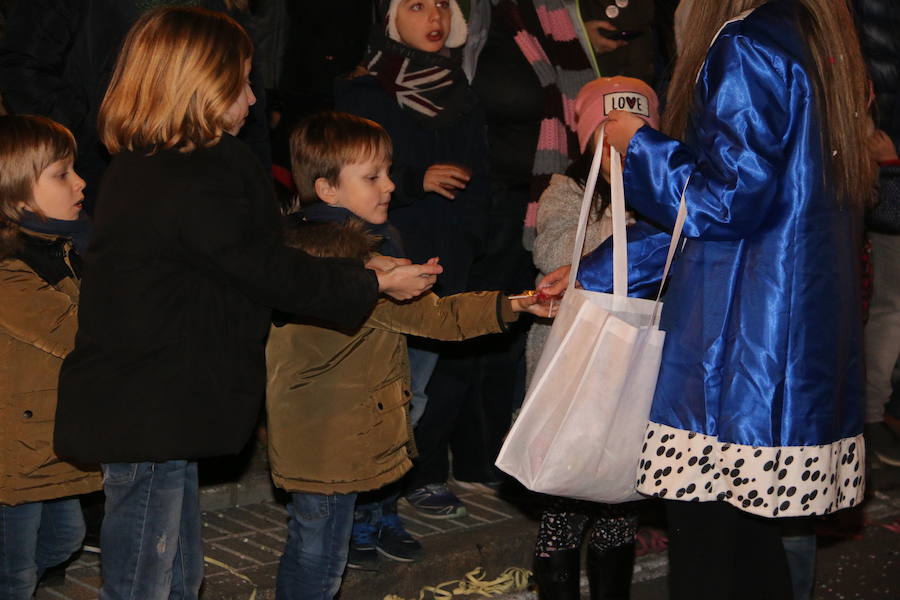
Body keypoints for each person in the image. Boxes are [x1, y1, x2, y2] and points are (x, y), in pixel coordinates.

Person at [50, 9, 441, 600]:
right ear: (200, 82)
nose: (255, 98)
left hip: (158, 400)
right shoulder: (191, 173)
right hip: (151, 402)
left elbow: (250, 253)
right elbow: (265, 268)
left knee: (176, 572)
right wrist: (372, 285)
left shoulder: (153, 165)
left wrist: (358, 268)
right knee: (146, 579)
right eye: (242, 80)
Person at [539, 1, 875, 598]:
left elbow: (722, 202)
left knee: (710, 553)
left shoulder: (747, 43)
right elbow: (735, 215)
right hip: (785, 342)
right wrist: (597, 270)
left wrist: (636, 142)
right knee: (752, 549)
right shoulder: (817, 35)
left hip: (731, 354)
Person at [266, 110, 553, 600]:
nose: (391, 186)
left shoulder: (321, 252)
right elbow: (440, 319)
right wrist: (518, 303)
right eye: (373, 177)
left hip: (325, 433)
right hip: (327, 438)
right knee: (319, 559)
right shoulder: (349, 263)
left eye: (389, 173)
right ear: (328, 189)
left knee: (317, 547)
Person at [335, 0, 489, 546]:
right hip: (387, 257)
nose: (435, 18)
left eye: (444, 6)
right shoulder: (364, 92)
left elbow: (481, 173)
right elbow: (340, 173)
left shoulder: (463, 92)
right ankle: (354, 507)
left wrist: (472, 233)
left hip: (445, 258)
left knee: (419, 395)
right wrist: (413, 177)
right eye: (418, 5)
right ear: (390, 17)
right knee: (377, 390)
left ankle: (387, 500)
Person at [528, 77, 661, 600]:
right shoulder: (567, 190)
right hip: (574, 373)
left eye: (637, 137)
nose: (624, 150)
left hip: (632, 377)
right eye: (612, 137)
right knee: (563, 505)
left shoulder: (665, 196)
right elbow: (553, 253)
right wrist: (626, 207)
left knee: (617, 509)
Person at [0, 0, 268, 213]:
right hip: (102, 161)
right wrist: (89, 128)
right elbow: (23, 66)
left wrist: (259, 184)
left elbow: (241, 80)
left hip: (204, 158)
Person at [0, 114, 101, 600]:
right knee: (13, 573)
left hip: (48, 439)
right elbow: (79, 334)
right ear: (18, 195)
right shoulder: (10, 271)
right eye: (62, 174)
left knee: (65, 537)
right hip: (12, 452)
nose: (81, 182)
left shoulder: (63, 247)